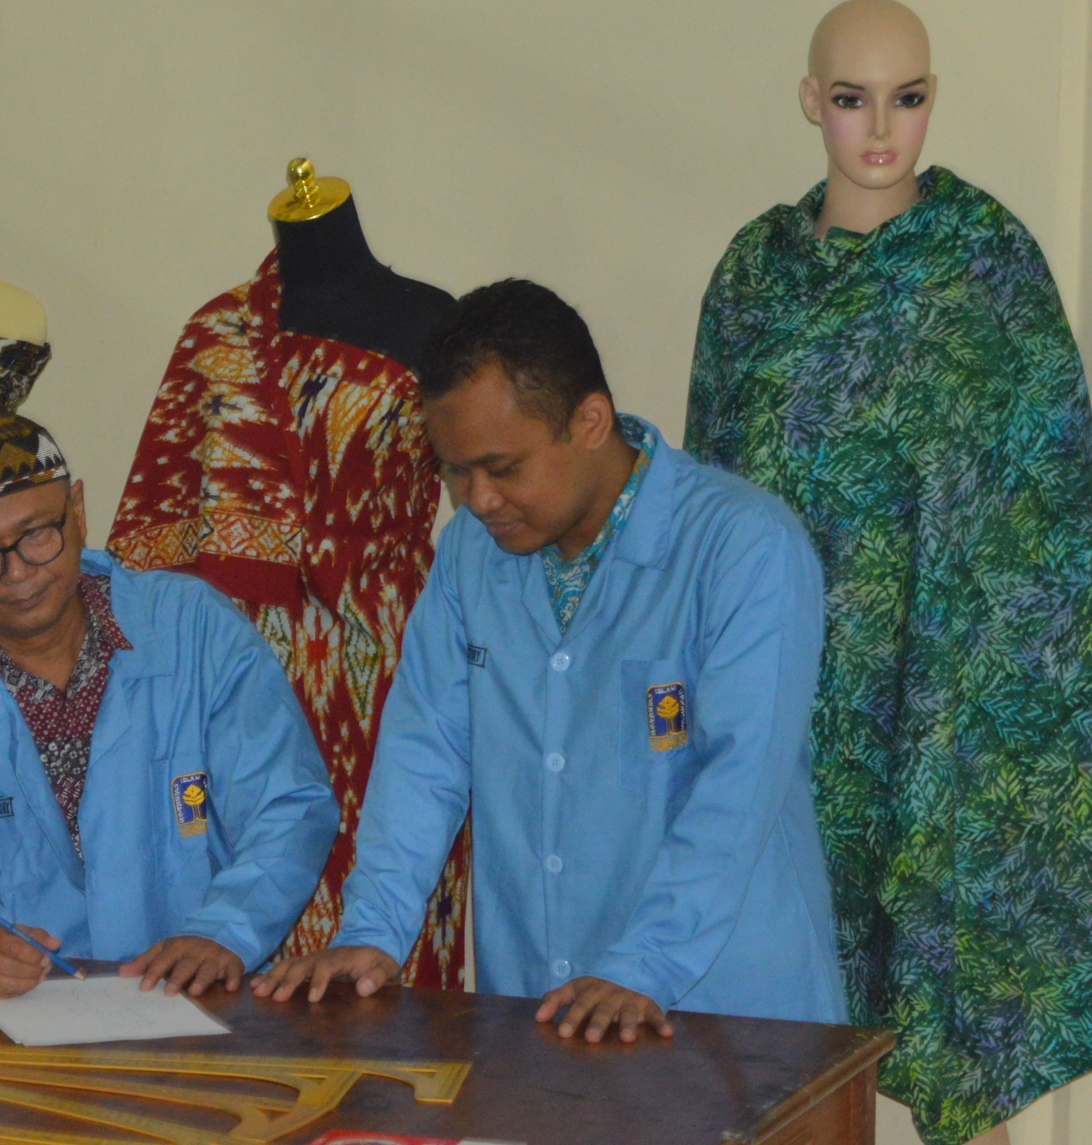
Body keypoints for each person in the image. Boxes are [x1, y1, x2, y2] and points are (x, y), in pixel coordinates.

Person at [686, 0, 1092, 1145]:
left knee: (959, 1090)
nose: (882, 131)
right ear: (808, 102)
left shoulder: (991, 267)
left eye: (909, 98)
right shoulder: (752, 277)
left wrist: (991, 733)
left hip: (947, 732)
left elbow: (1048, 517)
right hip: (788, 735)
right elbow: (716, 504)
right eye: (852, 100)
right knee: (785, 1082)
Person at [257, 279, 844, 1036]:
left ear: (590, 422)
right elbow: (425, 752)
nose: (477, 500)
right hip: (543, 1019)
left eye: (502, 468)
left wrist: (644, 966)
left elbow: (737, 785)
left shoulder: (743, 548)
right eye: (453, 471)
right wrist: (372, 931)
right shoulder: (471, 554)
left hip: (735, 1022)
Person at [0, 412, 337, 999]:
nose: (19, 573)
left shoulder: (195, 630)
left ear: (77, 512)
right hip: (6, 1028)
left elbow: (288, 806)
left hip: (188, 1002)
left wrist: (227, 931)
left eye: (37, 536)